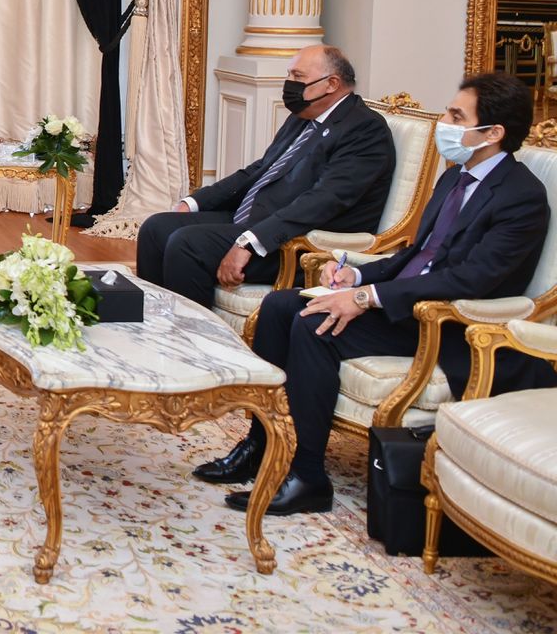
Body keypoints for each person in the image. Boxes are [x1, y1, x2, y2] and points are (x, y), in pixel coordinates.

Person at [194, 72, 557, 515]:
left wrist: (368, 297)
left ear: (493, 133)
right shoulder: (454, 179)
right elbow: (417, 254)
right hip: (403, 302)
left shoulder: (521, 197)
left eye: (456, 116)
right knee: (279, 305)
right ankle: (262, 445)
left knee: (314, 326)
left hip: (446, 322)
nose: (443, 123)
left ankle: (307, 477)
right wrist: (356, 275)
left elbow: (471, 280)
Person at [136, 45, 395, 309]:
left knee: (188, 244)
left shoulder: (364, 129)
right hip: (258, 218)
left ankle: (191, 332)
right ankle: (155, 321)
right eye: (289, 75)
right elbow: (260, 169)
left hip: (297, 241)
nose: (289, 84)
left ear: (331, 84)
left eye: (298, 76)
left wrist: (249, 242)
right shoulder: (305, 115)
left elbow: (323, 201)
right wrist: (194, 202)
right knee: (156, 228)